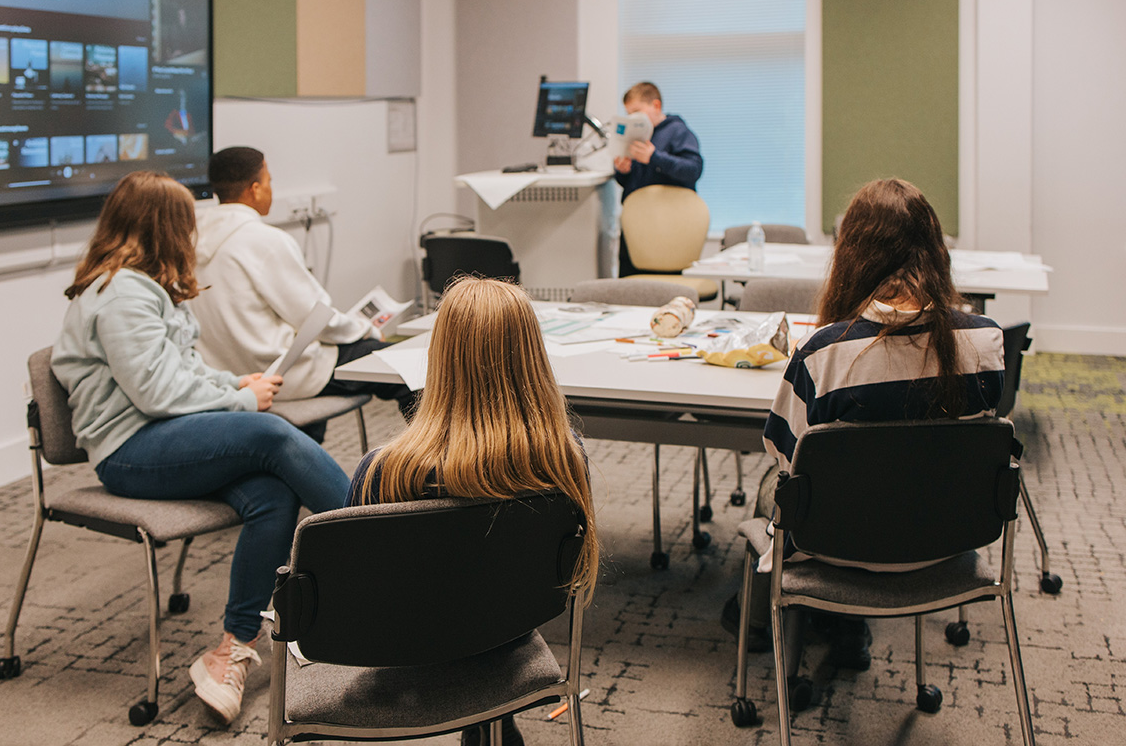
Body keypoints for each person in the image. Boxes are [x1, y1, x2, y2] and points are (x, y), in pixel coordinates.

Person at [50, 170, 351, 725]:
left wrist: (234, 385)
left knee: (271, 494)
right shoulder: (120, 293)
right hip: (130, 451)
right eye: (187, 224)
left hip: (163, 437)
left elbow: (183, 372)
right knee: (270, 433)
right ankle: (380, 539)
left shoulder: (147, 287)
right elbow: (159, 392)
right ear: (166, 227)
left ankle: (231, 650)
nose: (194, 235)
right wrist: (244, 401)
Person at [722, 178, 1006, 669]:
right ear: (938, 250)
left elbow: (785, 453)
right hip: (947, 541)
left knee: (778, 484)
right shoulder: (986, 343)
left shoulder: (825, 353)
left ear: (851, 254)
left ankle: (768, 618)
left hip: (839, 549)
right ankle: (842, 628)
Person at [348, 277, 599, 746]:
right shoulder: (566, 460)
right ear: (532, 356)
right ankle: (495, 718)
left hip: (406, 646)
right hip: (507, 629)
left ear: (439, 357)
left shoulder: (382, 471)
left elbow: (355, 590)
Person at [191, 146, 415, 440]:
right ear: (255, 190)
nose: (271, 189)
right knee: (411, 369)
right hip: (279, 372)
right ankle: (433, 467)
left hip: (225, 373)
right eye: (269, 181)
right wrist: (366, 330)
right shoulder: (265, 241)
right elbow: (317, 319)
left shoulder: (191, 238)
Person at [612, 82, 704, 277]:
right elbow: (632, 182)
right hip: (636, 226)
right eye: (629, 113)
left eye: (637, 111)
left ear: (656, 106)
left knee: (665, 288)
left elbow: (693, 169)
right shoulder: (635, 136)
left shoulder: (678, 132)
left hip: (667, 230)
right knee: (630, 287)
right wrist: (623, 171)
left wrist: (654, 158)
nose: (632, 118)